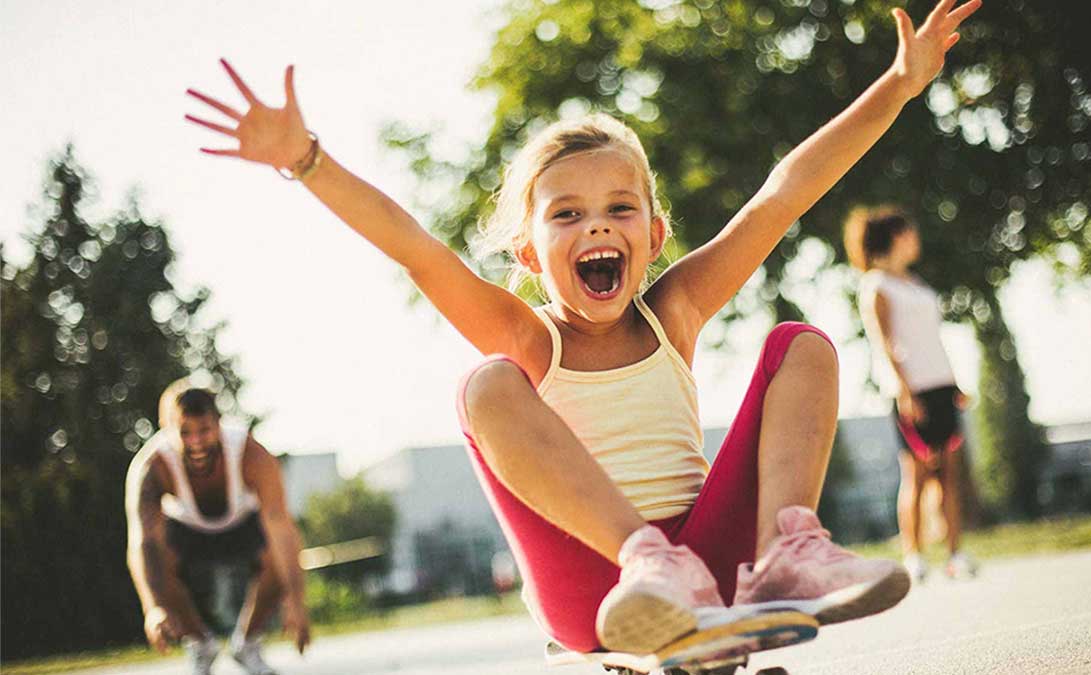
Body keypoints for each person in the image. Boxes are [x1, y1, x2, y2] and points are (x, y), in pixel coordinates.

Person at [185, 0, 979, 655]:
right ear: (530, 252)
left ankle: (788, 550)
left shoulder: (678, 308)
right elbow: (416, 249)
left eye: (618, 209)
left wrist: (899, 87)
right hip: (596, 584)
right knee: (486, 384)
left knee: (799, 344)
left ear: (655, 234)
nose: (596, 226)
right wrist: (308, 159)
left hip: (715, 556)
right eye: (567, 214)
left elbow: (783, 193)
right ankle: (650, 572)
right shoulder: (535, 339)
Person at [125, 380, 310, 675]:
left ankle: (247, 645)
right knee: (158, 556)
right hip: (185, 529)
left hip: (242, 524)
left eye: (205, 430)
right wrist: (154, 608)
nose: (196, 442)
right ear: (166, 428)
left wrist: (296, 602)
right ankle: (200, 645)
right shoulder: (151, 467)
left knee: (277, 555)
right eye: (185, 432)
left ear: (219, 425)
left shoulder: (252, 455)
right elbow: (142, 542)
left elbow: (282, 528)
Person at [844, 206, 979, 582]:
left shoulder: (916, 284)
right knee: (916, 474)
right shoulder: (876, 286)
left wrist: (954, 383)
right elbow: (885, 342)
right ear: (896, 237)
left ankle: (956, 554)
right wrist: (905, 391)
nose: (916, 240)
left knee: (950, 473)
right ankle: (914, 556)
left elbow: (931, 339)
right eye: (911, 234)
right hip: (910, 390)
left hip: (941, 386)